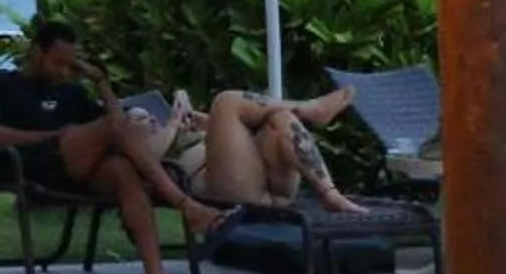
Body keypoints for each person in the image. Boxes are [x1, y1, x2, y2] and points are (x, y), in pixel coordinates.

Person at [0, 20, 237, 274]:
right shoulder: (1, 84)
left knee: (124, 172)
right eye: (57, 63)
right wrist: (55, 136)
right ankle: (187, 206)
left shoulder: (70, 92)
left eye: (69, 65)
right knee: (113, 129)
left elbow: (119, 126)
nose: (63, 72)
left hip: (74, 168)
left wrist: (101, 82)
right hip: (30, 164)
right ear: (37, 52)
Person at [151, 83, 369, 213]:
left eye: (151, 118)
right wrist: (172, 125)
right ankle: (311, 108)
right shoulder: (141, 144)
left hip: (270, 185)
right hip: (223, 190)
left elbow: (233, 145)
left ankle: (330, 193)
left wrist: (206, 123)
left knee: (279, 118)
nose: (151, 120)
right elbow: (147, 160)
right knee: (225, 102)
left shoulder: (175, 133)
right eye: (143, 120)